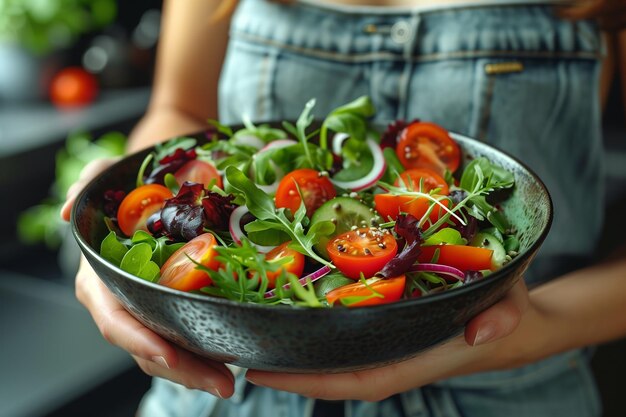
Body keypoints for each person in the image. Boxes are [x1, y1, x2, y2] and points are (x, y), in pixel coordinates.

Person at [61, 0, 626, 416]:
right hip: (228, 390)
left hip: (510, 393)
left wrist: (535, 327)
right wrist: (131, 207)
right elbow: (180, 108)